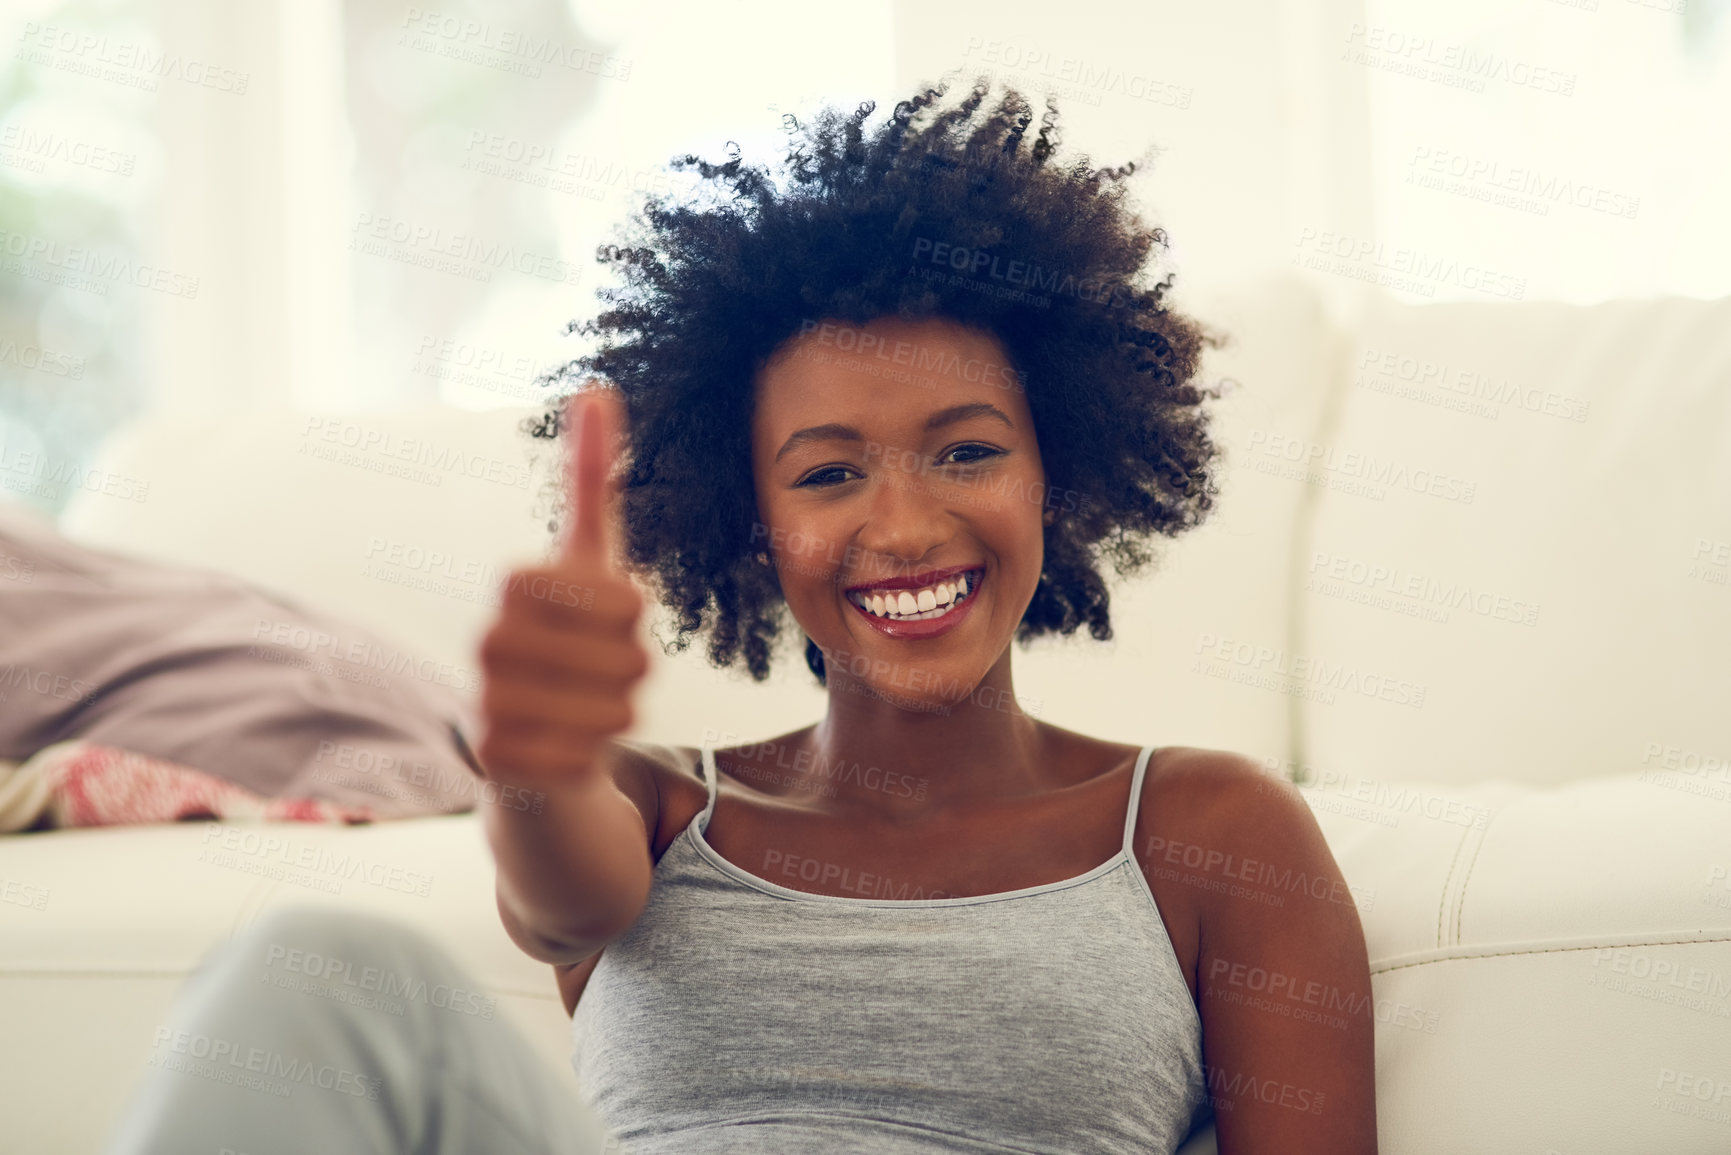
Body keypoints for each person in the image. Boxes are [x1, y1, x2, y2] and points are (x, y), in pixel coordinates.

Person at [106, 75, 1377, 1155]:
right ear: (747, 520)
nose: (903, 527)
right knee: (314, 972)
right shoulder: (659, 811)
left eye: (967, 451)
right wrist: (534, 763)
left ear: (1057, 470)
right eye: (829, 473)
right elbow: (558, 892)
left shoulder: (1208, 831)